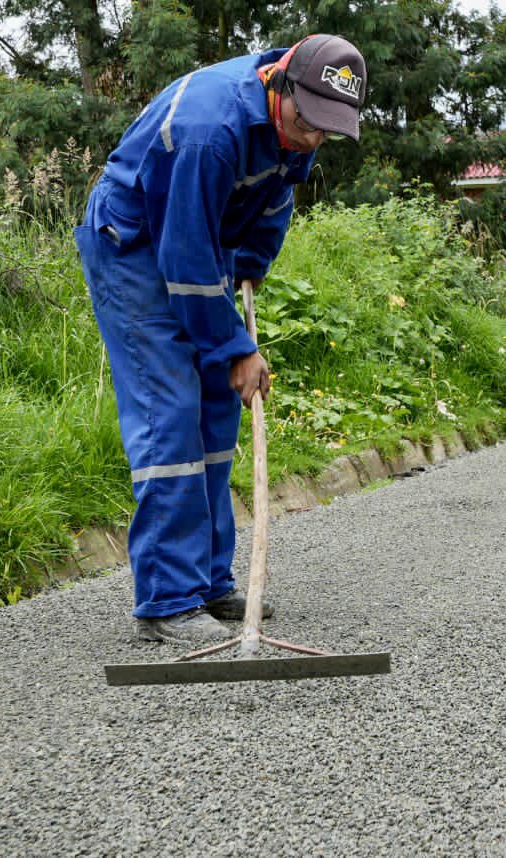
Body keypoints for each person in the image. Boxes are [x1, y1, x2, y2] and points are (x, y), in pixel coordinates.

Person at [75, 34, 368, 645]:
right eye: (308, 122)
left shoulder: (300, 121)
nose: (314, 137)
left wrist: (255, 259)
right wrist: (235, 348)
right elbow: (183, 256)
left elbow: (277, 195)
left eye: (328, 129)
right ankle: (165, 600)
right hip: (134, 244)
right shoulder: (211, 128)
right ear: (280, 85)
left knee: (215, 413)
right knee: (172, 411)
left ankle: (208, 583)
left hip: (201, 242)